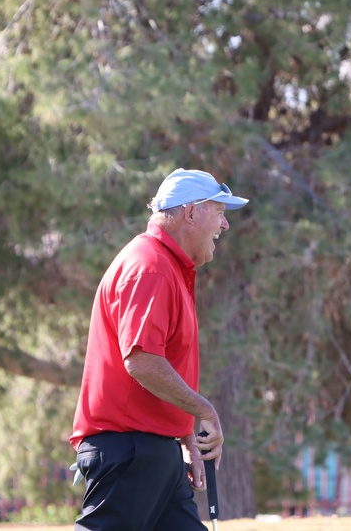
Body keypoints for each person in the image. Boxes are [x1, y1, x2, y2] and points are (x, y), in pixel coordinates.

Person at [70, 168, 249, 530]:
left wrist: (184, 435)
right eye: (219, 212)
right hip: (130, 452)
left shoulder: (165, 265)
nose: (225, 224)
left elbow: (158, 361)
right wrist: (204, 411)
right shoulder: (151, 267)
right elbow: (141, 360)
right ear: (191, 213)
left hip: (154, 451)